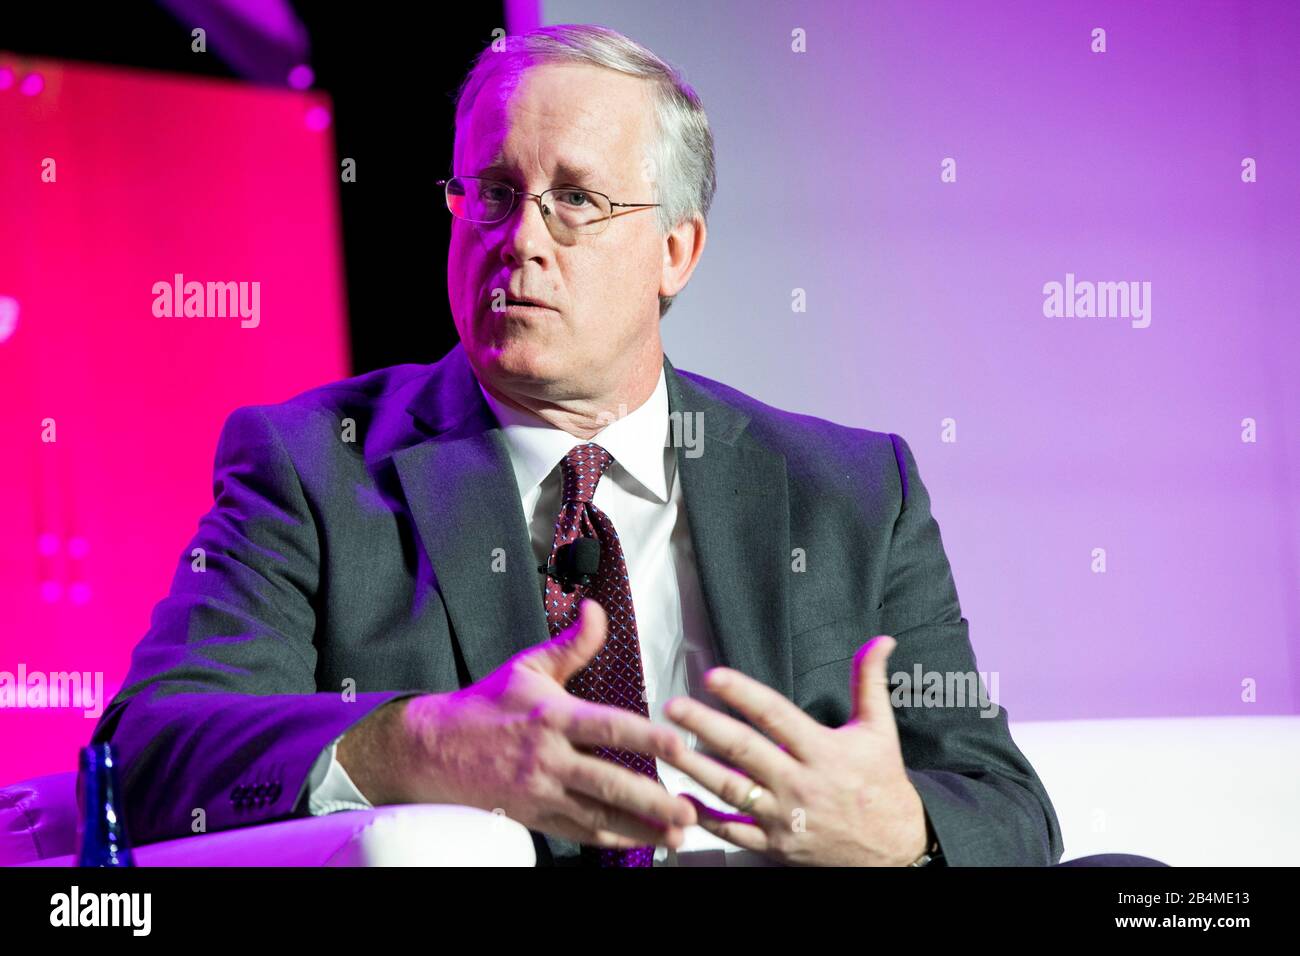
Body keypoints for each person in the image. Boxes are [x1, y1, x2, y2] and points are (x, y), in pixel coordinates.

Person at [90, 23, 1067, 867]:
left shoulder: (849, 491)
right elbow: (148, 753)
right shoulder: (317, 466)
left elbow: (1007, 807)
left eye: (576, 201)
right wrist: (413, 746)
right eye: (493, 192)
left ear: (675, 251)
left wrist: (898, 828)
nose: (520, 238)